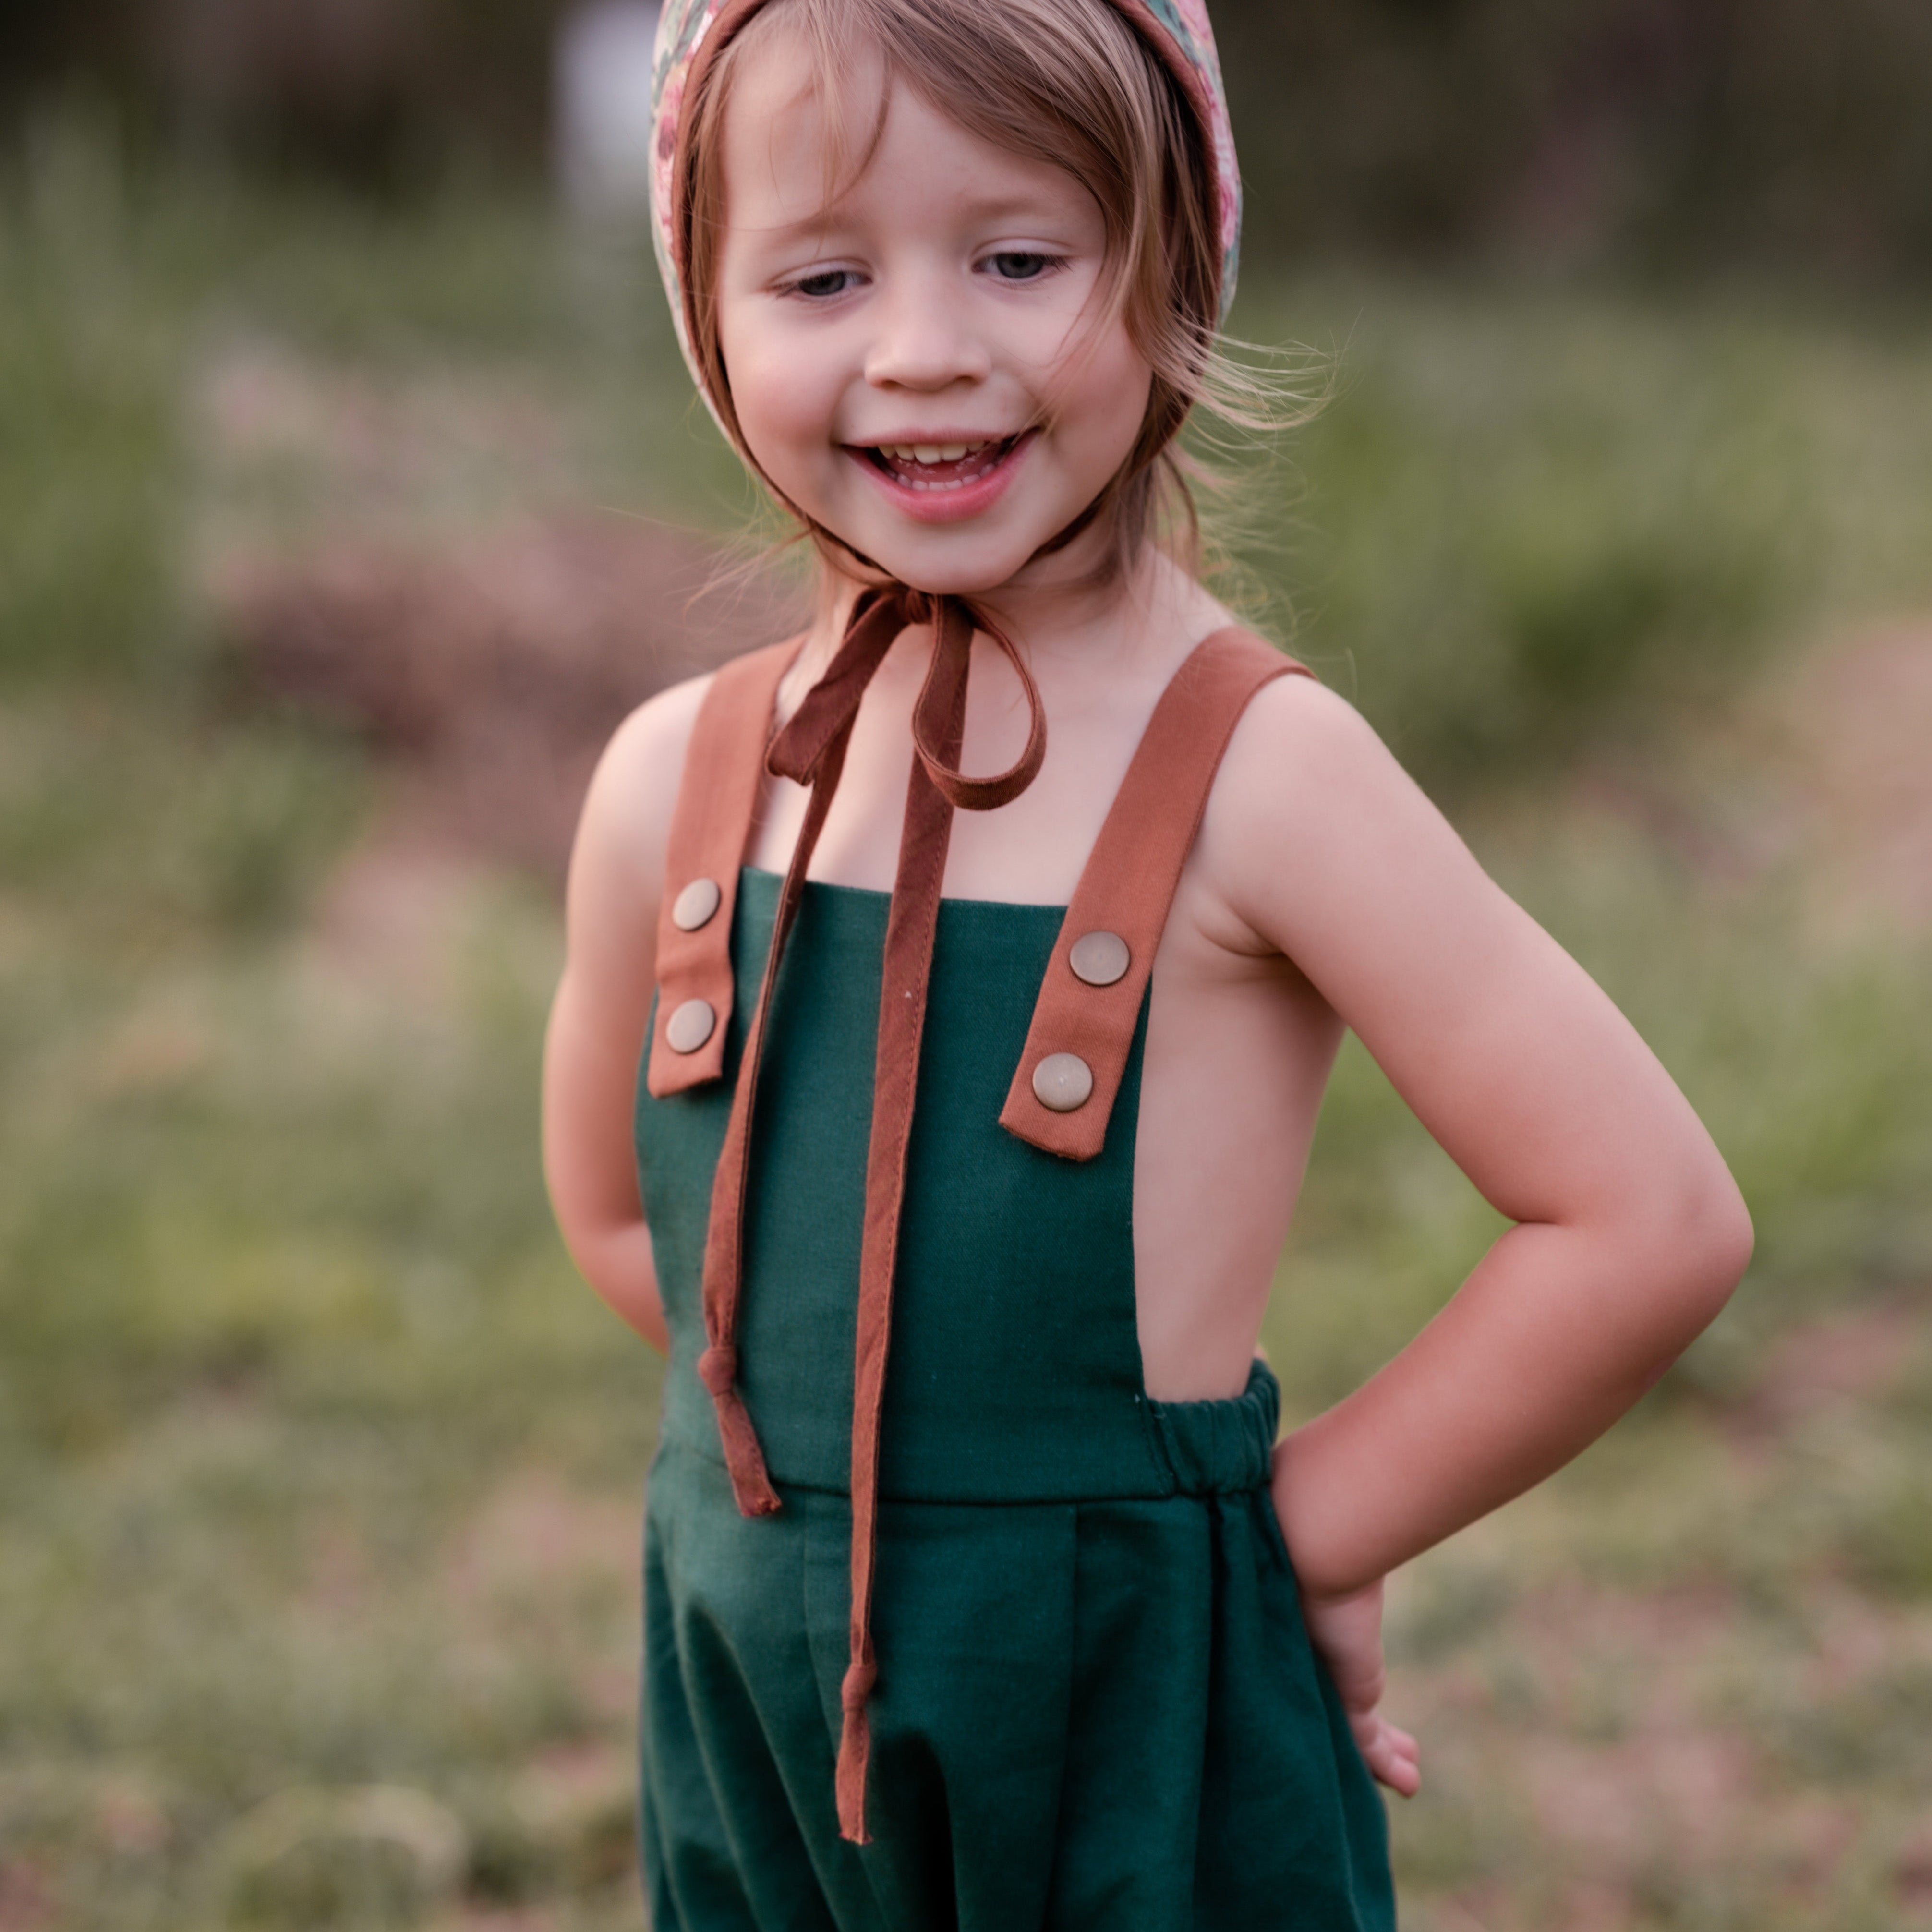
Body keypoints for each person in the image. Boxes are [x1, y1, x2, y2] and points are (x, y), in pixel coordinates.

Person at [540, 0, 1754, 1922]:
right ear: (709, 310)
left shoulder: (1265, 775)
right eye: (824, 272)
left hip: (1139, 1736)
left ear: (1173, 268)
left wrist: (1306, 1536)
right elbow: (624, 1228)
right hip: (756, 1734)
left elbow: (1645, 1216)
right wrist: (861, 1514)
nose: (926, 346)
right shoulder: (666, 789)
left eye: (1020, 258)